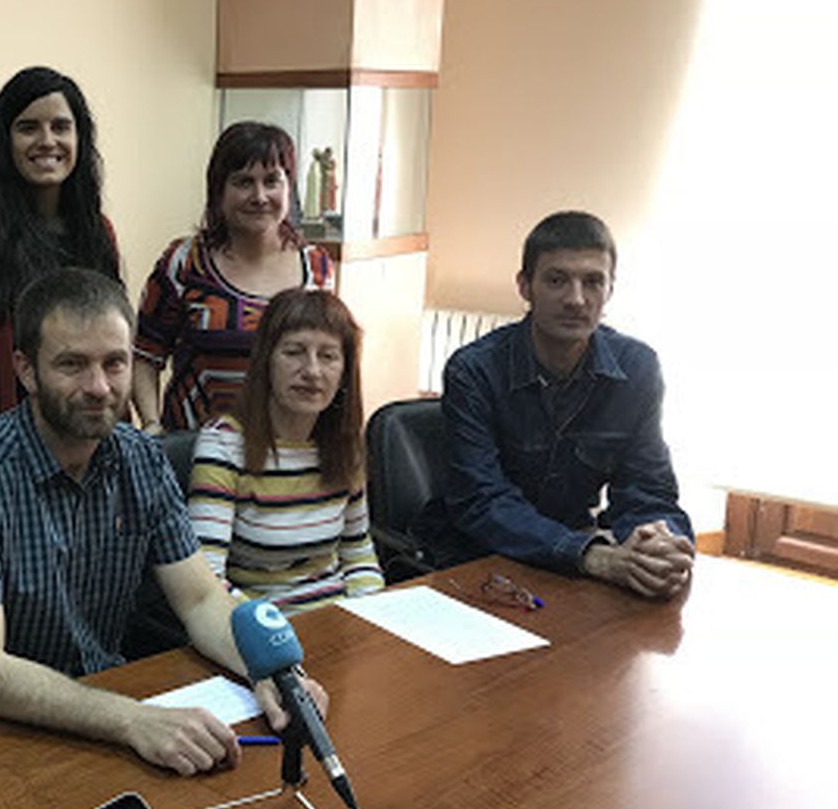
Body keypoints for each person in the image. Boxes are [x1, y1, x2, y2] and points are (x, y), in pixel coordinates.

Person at [0, 268, 329, 774]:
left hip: (99, 711)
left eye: (115, 363)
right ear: (25, 370)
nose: (99, 387)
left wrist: (264, 672)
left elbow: (199, 600)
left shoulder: (140, 459)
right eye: (72, 365)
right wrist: (132, 720)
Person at [415, 211, 694, 597]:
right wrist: (590, 555)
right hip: (478, 563)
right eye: (557, 280)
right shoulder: (474, 371)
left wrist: (662, 544)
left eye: (593, 282)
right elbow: (481, 501)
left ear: (610, 289)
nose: (576, 299)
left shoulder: (637, 368)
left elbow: (648, 490)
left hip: (572, 566)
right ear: (525, 286)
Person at [0, 66, 120, 454]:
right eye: (28, 127)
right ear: (4, 140)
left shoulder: (97, 229)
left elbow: (111, 353)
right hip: (7, 454)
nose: (47, 141)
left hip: (89, 450)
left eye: (61, 127)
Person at [188, 289, 384, 611]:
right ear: (266, 360)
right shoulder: (224, 445)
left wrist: (372, 617)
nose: (312, 371)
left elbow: (358, 552)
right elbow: (207, 579)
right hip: (261, 627)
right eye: (294, 352)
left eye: (328, 356)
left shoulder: (345, 444)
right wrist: (272, 632)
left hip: (340, 620)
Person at [133, 122, 335, 433]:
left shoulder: (317, 268)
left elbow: (327, 364)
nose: (259, 196)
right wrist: (150, 425)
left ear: (289, 186)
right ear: (218, 190)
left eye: (272, 181)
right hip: (193, 455)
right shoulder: (184, 263)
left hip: (284, 455)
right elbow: (144, 356)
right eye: (243, 182)